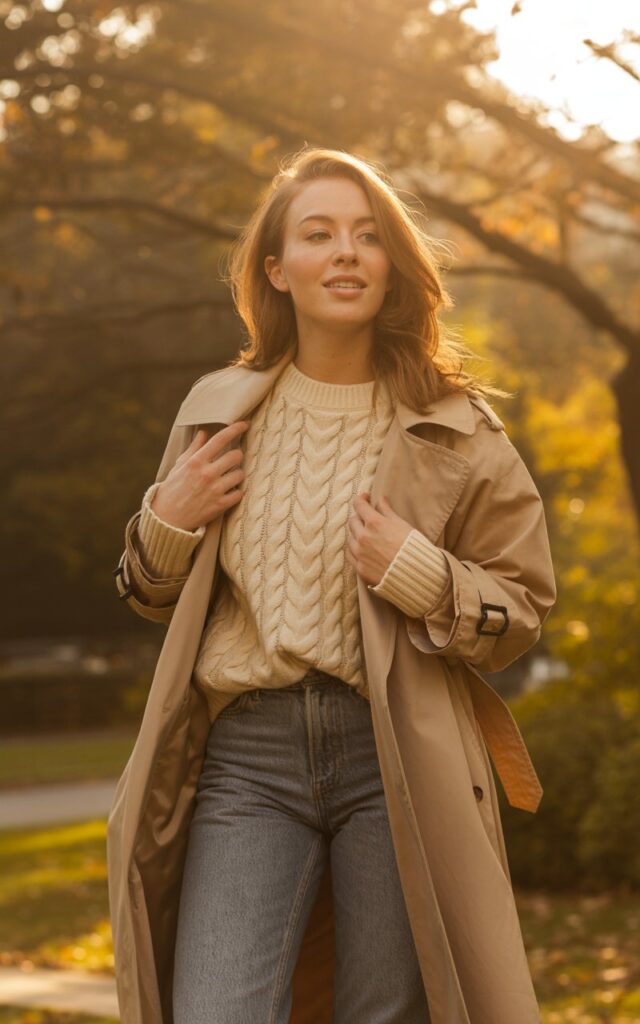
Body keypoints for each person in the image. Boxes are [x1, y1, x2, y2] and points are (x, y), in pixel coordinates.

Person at [108, 146, 556, 1024]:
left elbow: (522, 610)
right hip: (247, 760)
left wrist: (421, 575)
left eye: (367, 235)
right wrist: (170, 519)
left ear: (393, 267)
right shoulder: (217, 410)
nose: (346, 252)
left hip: (394, 757)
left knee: (382, 1012)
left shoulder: (459, 430)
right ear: (277, 270)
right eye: (318, 234)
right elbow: (148, 592)